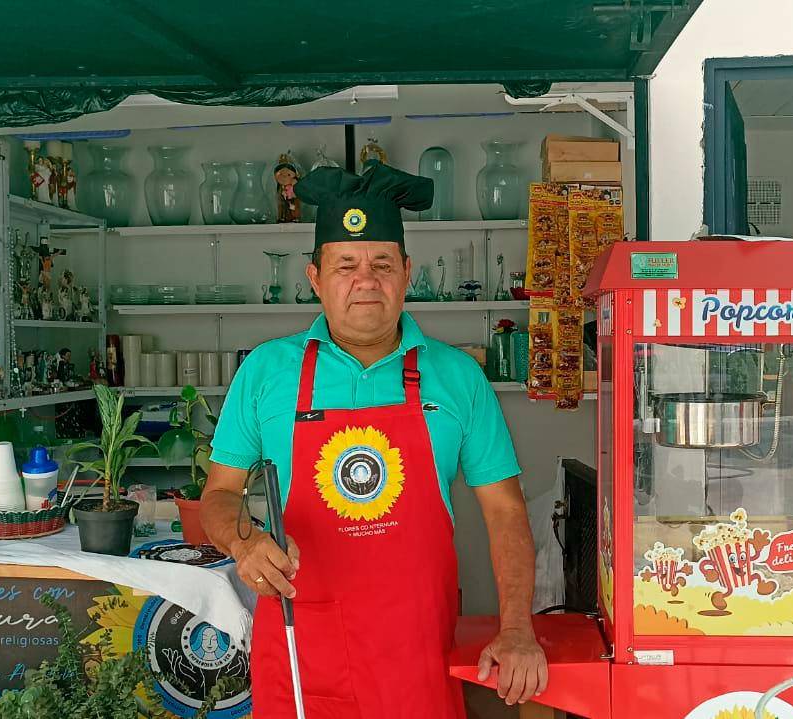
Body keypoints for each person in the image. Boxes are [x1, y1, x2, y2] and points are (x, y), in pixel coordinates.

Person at [202, 160, 546, 719]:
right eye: (345, 265)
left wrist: (516, 629)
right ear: (314, 278)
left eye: (381, 263)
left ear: (407, 272)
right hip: (300, 647)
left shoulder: (458, 377)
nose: (365, 279)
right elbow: (218, 495)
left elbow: (505, 513)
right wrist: (244, 543)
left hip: (417, 654)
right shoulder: (266, 371)